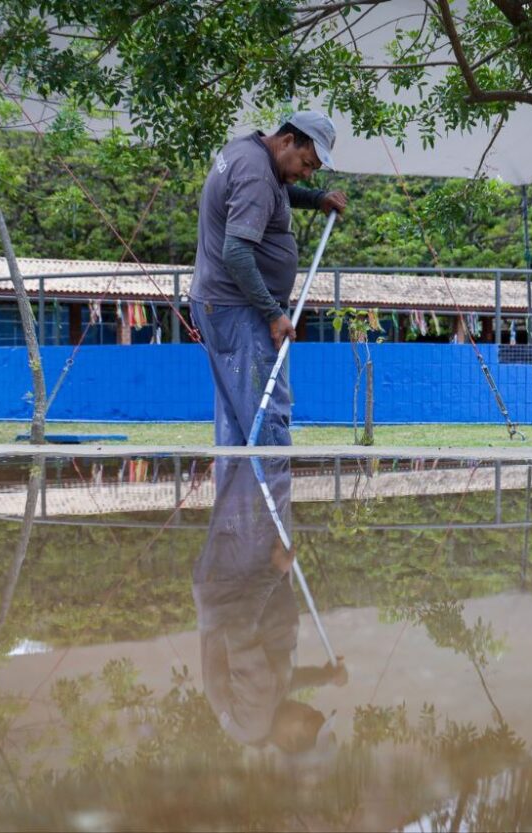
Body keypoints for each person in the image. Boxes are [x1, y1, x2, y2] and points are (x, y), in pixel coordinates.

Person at [190, 112, 348, 446]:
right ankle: (272, 489)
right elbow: (236, 252)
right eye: (306, 163)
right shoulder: (257, 173)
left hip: (221, 302)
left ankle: (239, 495)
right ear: (288, 140)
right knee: (266, 419)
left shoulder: (246, 152)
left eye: (313, 170)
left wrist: (317, 198)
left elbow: (276, 192)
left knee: (239, 419)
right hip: (241, 309)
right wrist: (273, 314)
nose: (305, 174)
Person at [193, 456, 347, 756]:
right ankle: (241, 415)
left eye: (310, 719)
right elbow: (281, 684)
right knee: (238, 461)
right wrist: (325, 676)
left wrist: (275, 572)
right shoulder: (259, 722)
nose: (310, 708)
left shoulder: (255, 715)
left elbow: (240, 628)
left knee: (263, 465)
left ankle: (259, 414)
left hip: (235, 580)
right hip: (228, 583)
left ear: (290, 741)